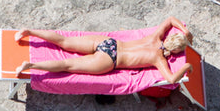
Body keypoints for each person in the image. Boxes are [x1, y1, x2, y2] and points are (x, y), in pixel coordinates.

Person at [14, 17, 192, 82]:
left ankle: (29, 31)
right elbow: (171, 79)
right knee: (67, 65)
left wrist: (185, 31)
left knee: (65, 41)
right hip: (110, 61)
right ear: (175, 51)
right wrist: (186, 66)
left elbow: (170, 19)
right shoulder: (159, 59)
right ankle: (31, 66)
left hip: (110, 43)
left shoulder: (156, 37)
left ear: (169, 38)